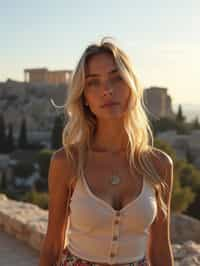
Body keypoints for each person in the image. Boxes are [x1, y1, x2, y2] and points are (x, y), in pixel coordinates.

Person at [39, 37, 174, 266]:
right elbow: (53, 245)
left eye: (116, 78)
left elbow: (161, 250)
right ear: (84, 99)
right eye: (93, 82)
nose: (107, 91)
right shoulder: (67, 162)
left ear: (132, 88)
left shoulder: (159, 165)